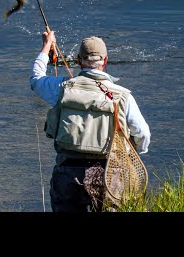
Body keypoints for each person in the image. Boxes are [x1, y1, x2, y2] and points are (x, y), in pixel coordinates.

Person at [30, 31, 151, 212]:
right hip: (109, 175)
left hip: (67, 173)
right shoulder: (123, 95)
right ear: (105, 61)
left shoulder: (62, 88)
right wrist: (133, 155)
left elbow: (36, 78)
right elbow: (142, 133)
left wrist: (47, 45)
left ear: (79, 60)